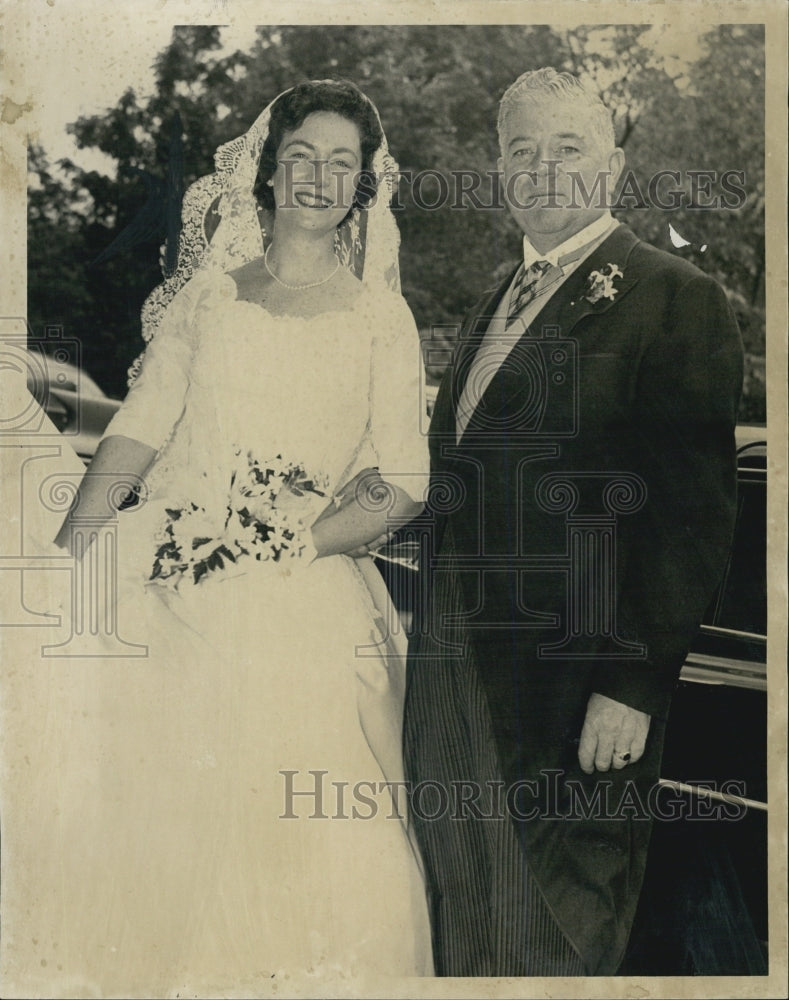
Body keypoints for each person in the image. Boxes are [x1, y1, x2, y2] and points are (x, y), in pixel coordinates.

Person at [1, 79, 433, 996]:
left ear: (363, 186)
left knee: (303, 839)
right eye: (301, 157)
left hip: (302, 592)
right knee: (138, 820)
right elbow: (138, 430)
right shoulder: (208, 295)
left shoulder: (378, 319)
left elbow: (402, 479)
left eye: (340, 163)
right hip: (167, 574)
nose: (318, 177)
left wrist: (287, 541)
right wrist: (69, 558)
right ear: (268, 173)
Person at [404, 68, 743, 977]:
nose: (543, 170)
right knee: (462, 939)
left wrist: (632, 684)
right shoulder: (487, 307)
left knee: (554, 946)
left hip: (574, 707)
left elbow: (692, 516)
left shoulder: (672, 298)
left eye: (568, 149)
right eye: (522, 151)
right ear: (500, 171)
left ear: (614, 166)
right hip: (457, 695)